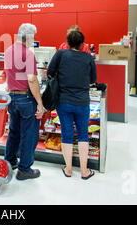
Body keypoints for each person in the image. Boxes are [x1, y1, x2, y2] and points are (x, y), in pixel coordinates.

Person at [47, 30, 97, 180]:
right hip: (82, 102)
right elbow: (92, 80)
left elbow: (50, 72)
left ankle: (68, 169)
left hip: (63, 102)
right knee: (83, 135)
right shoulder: (88, 58)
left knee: (67, 134)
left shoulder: (60, 54)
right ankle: (84, 171)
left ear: (67, 42)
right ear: (83, 44)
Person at [4, 23, 45, 181]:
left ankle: (10, 161)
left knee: (14, 132)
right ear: (29, 37)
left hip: (12, 99)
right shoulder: (28, 54)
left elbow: (10, 74)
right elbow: (32, 80)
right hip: (26, 99)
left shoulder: (8, 51)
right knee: (29, 135)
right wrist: (39, 104)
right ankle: (24, 170)